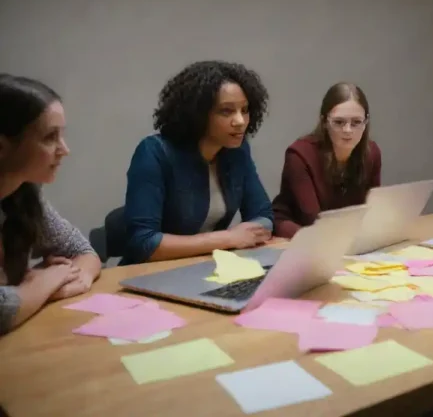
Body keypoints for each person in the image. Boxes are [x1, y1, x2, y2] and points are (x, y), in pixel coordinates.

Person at [122, 61, 274, 265]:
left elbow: (263, 216)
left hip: (206, 267)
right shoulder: (155, 152)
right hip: (149, 273)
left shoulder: (237, 151)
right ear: (198, 115)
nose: (240, 121)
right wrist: (228, 239)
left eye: (245, 110)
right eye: (226, 111)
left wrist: (246, 234)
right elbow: (143, 243)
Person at [0, 74, 101, 335]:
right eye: (49, 137)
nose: (64, 149)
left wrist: (75, 279)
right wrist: (47, 279)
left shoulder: (23, 194)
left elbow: (82, 250)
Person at [271, 82, 381, 238]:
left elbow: (372, 210)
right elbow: (313, 220)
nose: (348, 130)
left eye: (356, 122)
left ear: (366, 122)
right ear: (324, 122)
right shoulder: (300, 155)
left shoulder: (372, 153)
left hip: (343, 233)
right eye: (338, 122)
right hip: (297, 231)